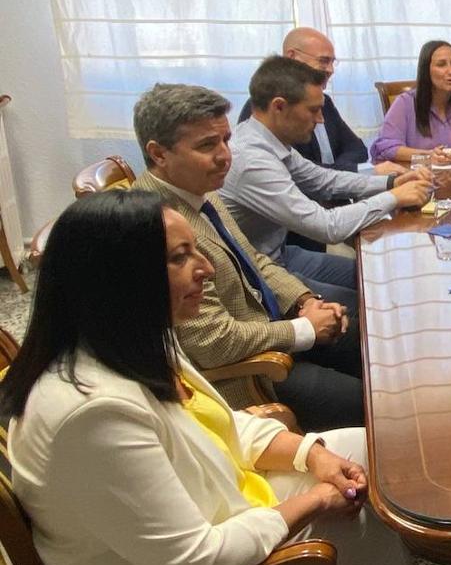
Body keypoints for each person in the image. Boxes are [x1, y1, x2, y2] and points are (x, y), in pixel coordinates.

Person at [0, 190, 426, 565]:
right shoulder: (91, 415)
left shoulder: (132, 337)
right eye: (180, 258)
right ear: (119, 279)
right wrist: (318, 500)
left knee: (373, 449)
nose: (204, 268)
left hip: (218, 507)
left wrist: (313, 456)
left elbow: (220, 427)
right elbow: (197, 563)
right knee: (372, 526)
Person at [133, 83, 365, 429]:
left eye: (226, 140)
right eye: (207, 145)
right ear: (159, 154)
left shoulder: (201, 191)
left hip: (271, 329)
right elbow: (211, 342)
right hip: (250, 373)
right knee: (377, 406)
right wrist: (303, 329)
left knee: (374, 344)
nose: (225, 155)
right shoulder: (155, 225)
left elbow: (253, 259)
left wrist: (304, 301)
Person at [221, 56, 432, 292]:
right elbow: (328, 227)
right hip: (261, 277)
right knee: (369, 308)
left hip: (283, 254)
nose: (320, 119)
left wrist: (391, 182)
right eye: (313, 110)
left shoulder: (269, 140)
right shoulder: (252, 160)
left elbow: (324, 180)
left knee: (378, 280)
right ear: (279, 106)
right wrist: (395, 197)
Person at [238, 27, 369, 173]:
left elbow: (357, 149)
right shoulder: (262, 110)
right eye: (323, 61)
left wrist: (341, 173)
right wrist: (344, 171)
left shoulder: (325, 102)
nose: (331, 70)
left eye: (333, 62)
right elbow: (294, 172)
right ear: (292, 57)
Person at [370, 39, 451, 166]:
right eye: (441, 64)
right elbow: (384, 147)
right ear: (426, 71)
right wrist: (427, 156)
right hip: (419, 183)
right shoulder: (404, 103)